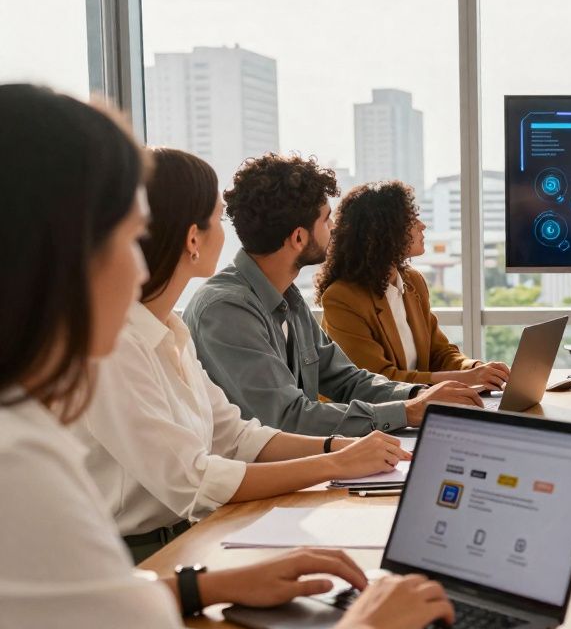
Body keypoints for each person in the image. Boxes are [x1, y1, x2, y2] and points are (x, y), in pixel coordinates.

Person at [0, 83, 453, 629]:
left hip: (176, 555)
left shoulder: (159, 338)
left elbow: (68, 605)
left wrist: (204, 587)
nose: (138, 269)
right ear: (59, 248)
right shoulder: (16, 460)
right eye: (130, 239)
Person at [73, 148, 413, 563]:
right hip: (134, 559)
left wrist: (335, 447)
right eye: (218, 218)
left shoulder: (169, 334)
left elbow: (235, 436)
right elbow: (194, 481)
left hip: (194, 533)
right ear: (192, 239)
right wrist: (336, 463)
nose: (229, 232)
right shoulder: (113, 346)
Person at [184, 153, 481, 437]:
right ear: (299, 238)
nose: (335, 228)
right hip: (255, 481)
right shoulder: (225, 310)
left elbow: (347, 379)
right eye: (326, 220)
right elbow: (287, 418)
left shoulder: (288, 299)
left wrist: (422, 396)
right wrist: (406, 410)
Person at [317, 180, 510, 388]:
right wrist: (466, 379)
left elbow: (440, 353)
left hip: (418, 408)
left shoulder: (413, 282)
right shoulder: (342, 298)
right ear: (385, 231)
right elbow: (377, 382)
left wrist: (477, 368)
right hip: (374, 416)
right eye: (412, 219)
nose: (422, 225)